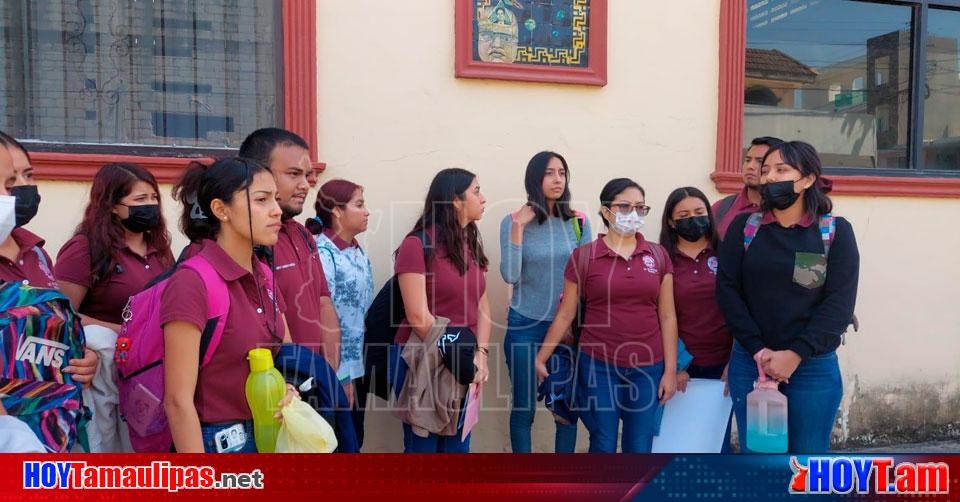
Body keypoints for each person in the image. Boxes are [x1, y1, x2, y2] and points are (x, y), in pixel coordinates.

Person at [717, 141, 859, 453]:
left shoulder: (834, 232)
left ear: (808, 179)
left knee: (807, 463)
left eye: (781, 169)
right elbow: (727, 290)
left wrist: (795, 355)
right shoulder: (745, 227)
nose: (769, 177)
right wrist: (758, 351)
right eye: (765, 170)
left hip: (812, 369)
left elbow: (839, 304)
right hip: (751, 363)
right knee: (762, 457)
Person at [163, 158, 296, 453]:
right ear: (221, 210)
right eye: (261, 200)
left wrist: (289, 388)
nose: (277, 210)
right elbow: (177, 401)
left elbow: (286, 354)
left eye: (275, 198)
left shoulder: (264, 275)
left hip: (270, 432)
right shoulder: (193, 281)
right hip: (217, 441)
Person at [536, 178, 678, 453]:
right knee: (603, 441)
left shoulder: (658, 255)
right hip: (598, 366)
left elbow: (668, 316)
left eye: (639, 207)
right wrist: (542, 357)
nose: (633, 214)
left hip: (648, 367)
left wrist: (670, 371)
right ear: (605, 210)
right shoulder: (584, 257)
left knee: (639, 445)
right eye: (624, 206)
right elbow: (566, 314)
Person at [390, 168, 491, 453]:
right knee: (423, 452)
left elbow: (482, 304)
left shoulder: (470, 244)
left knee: (457, 449)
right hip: (424, 359)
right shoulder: (417, 244)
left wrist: (481, 355)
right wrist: (461, 361)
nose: (483, 198)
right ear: (455, 200)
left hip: (464, 360)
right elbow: (418, 316)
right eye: (476, 191)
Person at [498, 151, 589, 453]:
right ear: (535, 179)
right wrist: (518, 228)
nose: (557, 179)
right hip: (525, 325)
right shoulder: (512, 222)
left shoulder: (578, 222)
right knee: (524, 409)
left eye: (562, 172)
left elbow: (587, 279)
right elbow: (510, 275)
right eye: (550, 172)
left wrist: (573, 322)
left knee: (565, 410)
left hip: (565, 328)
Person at [238, 128, 342, 375]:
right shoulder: (245, 242)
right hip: (272, 388)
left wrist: (329, 375)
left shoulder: (303, 234)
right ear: (258, 174)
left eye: (307, 175)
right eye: (294, 174)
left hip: (312, 381)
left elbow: (323, 301)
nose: (305, 185)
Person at [0, 132, 97, 388]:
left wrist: (82, 357)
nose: (21, 187)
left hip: (45, 413)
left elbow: (54, 327)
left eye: (27, 175)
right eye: (10, 180)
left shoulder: (37, 253)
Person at [55, 163, 174, 331]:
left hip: (154, 354)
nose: (151, 204)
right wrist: (125, 331)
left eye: (154, 197)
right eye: (140, 199)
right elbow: (60, 314)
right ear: (112, 206)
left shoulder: (159, 247)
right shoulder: (84, 248)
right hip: (104, 353)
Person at [658, 186, 733, 452]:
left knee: (716, 443)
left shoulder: (727, 254)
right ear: (671, 221)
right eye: (684, 214)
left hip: (724, 366)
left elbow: (743, 309)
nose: (693, 218)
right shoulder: (661, 258)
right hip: (679, 368)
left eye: (700, 212)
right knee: (677, 444)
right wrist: (675, 366)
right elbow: (658, 316)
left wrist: (735, 362)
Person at [307, 179, 375, 448]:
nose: (367, 211)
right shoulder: (324, 253)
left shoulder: (356, 250)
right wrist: (341, 376)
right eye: (359, 205)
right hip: (336, 370)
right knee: (339, 443)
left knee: (356, 438)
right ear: (336, 211)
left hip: (359, 365)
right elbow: (326, 318)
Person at [713, 136, 785, 239]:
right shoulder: (721, 208)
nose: (750, 166)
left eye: (760, 161)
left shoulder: (793, 211)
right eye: (747, 160)